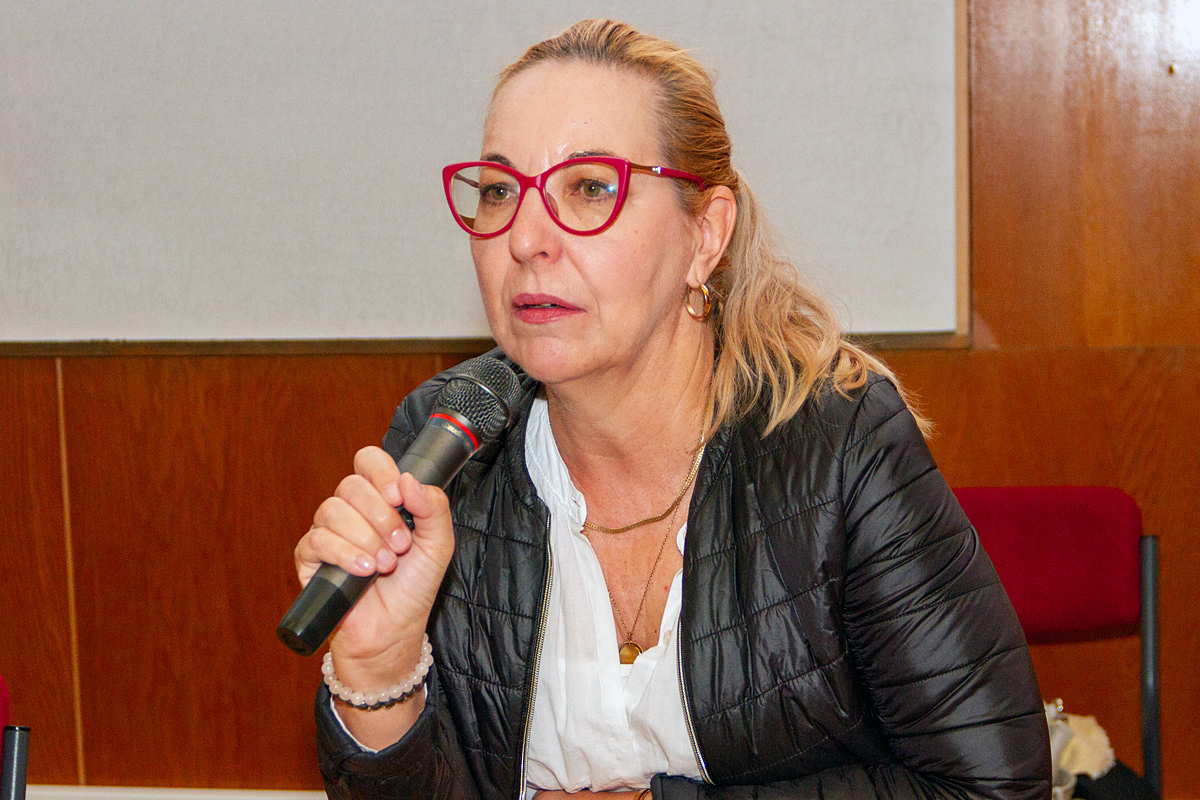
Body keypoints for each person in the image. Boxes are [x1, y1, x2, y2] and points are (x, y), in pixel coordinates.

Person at [294, 19, 1052, 800]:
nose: (526, 239)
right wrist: (379, 673)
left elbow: (993, 790)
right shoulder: (448, 441)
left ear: (705, 236)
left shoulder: (836, 445)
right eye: (499, 191)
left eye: (589, 188)